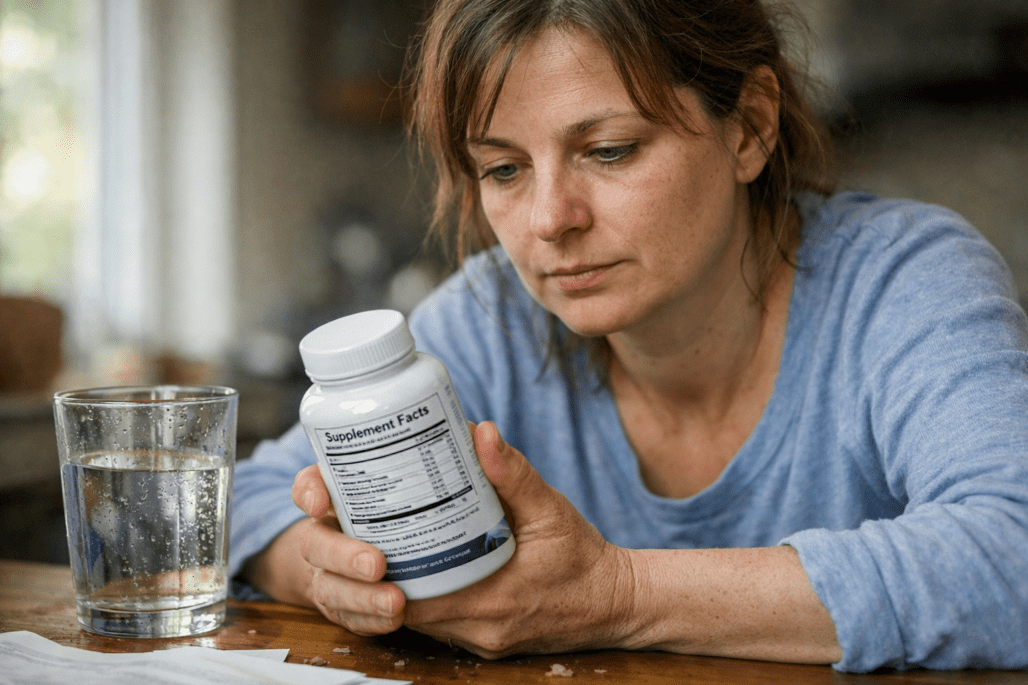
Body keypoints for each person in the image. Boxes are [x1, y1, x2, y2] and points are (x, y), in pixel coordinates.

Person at [229, 0, 1028, 673]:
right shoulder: (493, 317)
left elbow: (1012, 552)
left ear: (750, 127)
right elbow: (252, 500)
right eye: (504, 169)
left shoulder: (902, 281)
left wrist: (619, 594)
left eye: (609, 151)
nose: (550, 220)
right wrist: (335, 572)